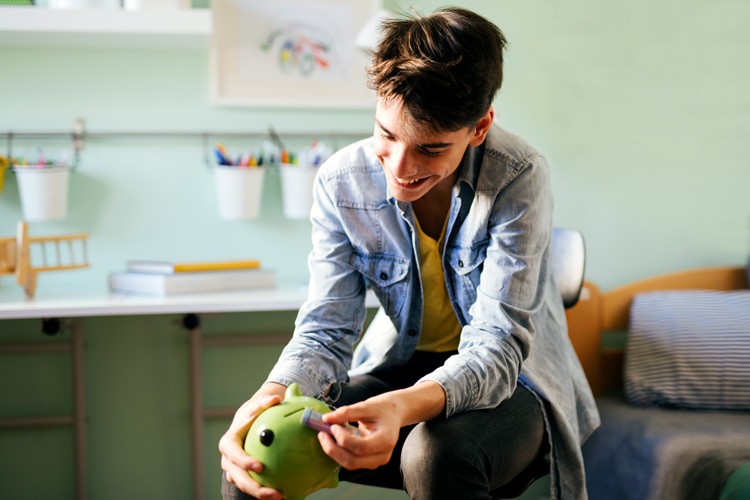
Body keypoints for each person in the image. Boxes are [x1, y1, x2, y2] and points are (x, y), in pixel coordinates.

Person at [219, 7, 599, 500]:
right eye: (387, 134)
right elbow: (326, 330)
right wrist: (268, 396)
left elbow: (497, 346)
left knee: (433, 453)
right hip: (403, 364)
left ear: (479, 127)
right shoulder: (341, 183)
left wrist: (400, 409)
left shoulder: (517, 175)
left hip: (516, 383)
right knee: (257, 444)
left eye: (431, 149)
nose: (401, 167)